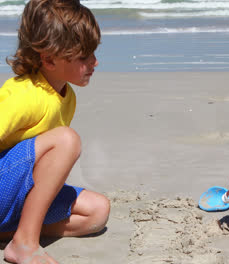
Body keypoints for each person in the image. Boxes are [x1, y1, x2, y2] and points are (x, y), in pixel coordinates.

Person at [0, 0, 110, 263]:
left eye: (93, 52)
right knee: (66, 140)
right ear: (48, 59)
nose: (95, 62)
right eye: (84, 56)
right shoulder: (24, 95)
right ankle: (24, 242)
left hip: (14, 196)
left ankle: (11, 232)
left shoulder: (67, 96)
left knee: (96, 212)